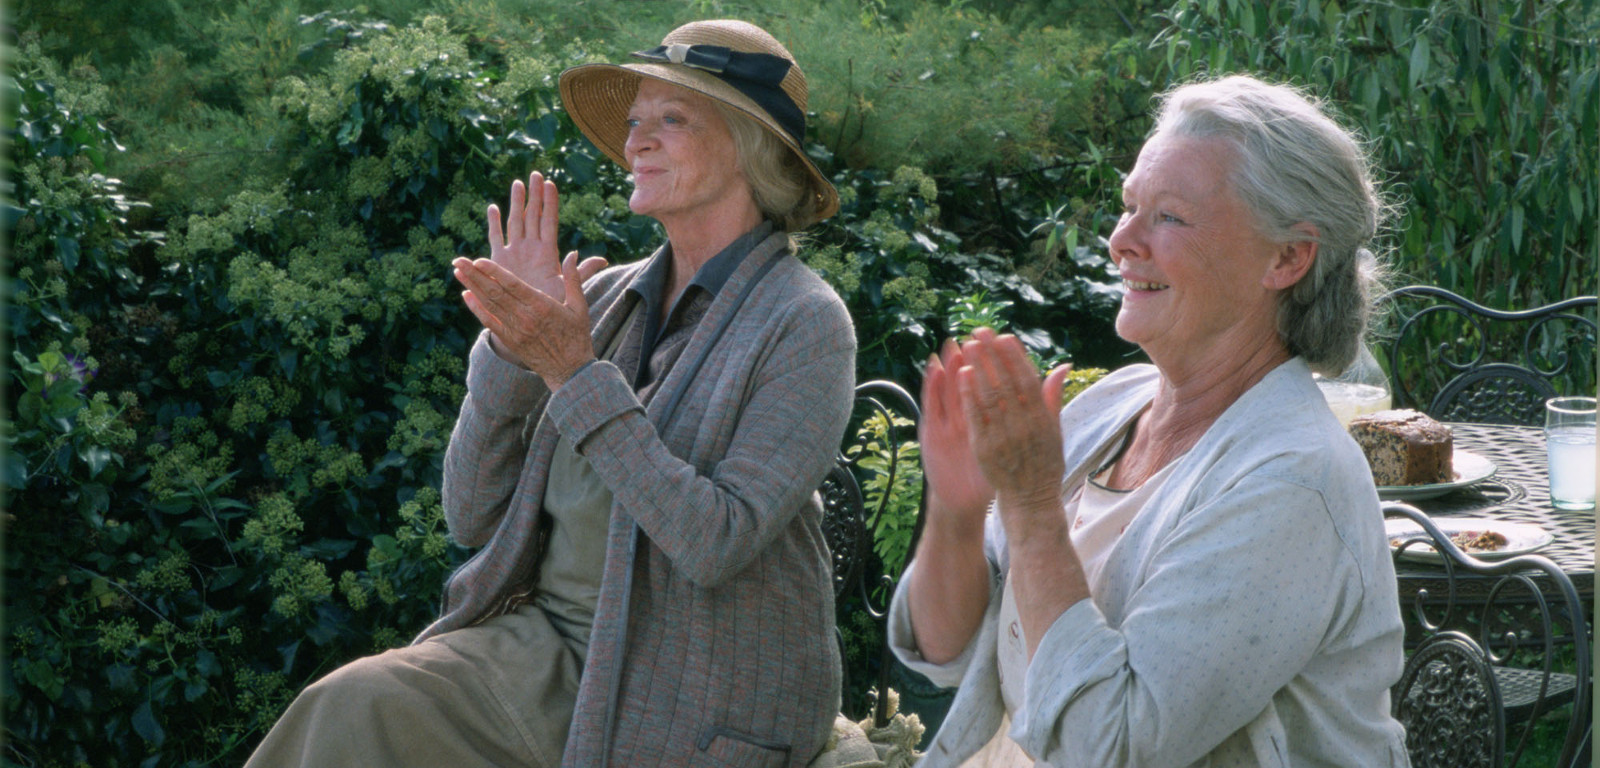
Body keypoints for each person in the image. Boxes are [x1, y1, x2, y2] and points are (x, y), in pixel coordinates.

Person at [246, 19, 856, 768]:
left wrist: (572, 372)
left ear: (750, 148)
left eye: (672, 119)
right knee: (346, 701)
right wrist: (509, 349)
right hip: (544, 648)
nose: (636, 141)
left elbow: (715, 542)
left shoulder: (805, 322)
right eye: (635, 121)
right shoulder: (600, 299)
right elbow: (470, 514)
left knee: (359, 709)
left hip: (689, 681)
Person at [889, 75, 1410, 766]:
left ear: (1287, 257)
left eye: (1168, 216)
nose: (1121, 240)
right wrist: (957, 511)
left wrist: (1031, 503)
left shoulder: (1295, 478)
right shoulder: (1111, 406)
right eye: (1130, 206)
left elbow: (1113, 748)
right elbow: (945, 652)